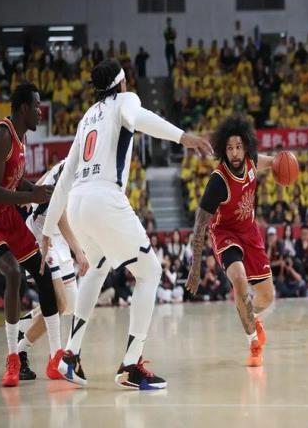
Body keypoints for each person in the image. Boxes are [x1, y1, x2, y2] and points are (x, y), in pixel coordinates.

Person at [41, 59, 212, 390]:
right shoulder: (126, 100)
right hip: (104, 198)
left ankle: (70, 356)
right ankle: (131, 366)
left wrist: (48, 230)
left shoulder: (86, 117)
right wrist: (183, 138)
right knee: (150, 272)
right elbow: (139, 118)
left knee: (96, 268)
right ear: (121, 83)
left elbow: (64, 180)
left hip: (77, 202)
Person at [0, 83, 63, 387]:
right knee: (14, 273)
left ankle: (56, 357)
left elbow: (15, 181)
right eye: (37, 106)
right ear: (23, 109)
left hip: (8, 216)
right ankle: (12, 359)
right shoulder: (2, 136)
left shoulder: (21, 137)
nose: (41, 111)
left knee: (43, 271)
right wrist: (31, 197)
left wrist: (40, 191)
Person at [186, 116, 276, 367]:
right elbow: (199, 225)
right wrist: (195, 268)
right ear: (222, 151)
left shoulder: (252, 161)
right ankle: (253, 344)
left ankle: (250, 318)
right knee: (238, 277)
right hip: (225, 233)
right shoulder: (218, 181)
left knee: (267, 297)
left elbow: (271, 162)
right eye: (229, 148)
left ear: (246, 147)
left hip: (250, 231)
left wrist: (282, 162)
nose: (234, 153)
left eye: (238, 147)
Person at [17, 160, 89, 381]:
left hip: (57, 238)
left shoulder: (75, 162)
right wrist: (79, 251)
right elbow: (61, 216)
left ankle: (25, 323)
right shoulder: (75, 166)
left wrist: (33, 193)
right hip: (42, 236)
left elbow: (50, 172)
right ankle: (24, 350)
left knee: (70, 304)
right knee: (59, 304)